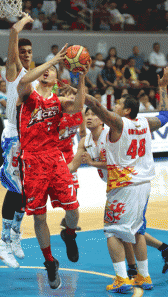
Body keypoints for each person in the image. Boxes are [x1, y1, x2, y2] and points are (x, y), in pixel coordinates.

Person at [60, 67, 168, 292]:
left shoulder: (120, 124)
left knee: (112, 231)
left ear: (127, 110)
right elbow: (165, 115)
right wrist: (163, 88)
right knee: (136, 230)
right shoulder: (145, 124)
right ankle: (144, 277)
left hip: (124, 186)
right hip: (144, 185)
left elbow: (98, 107)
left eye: (119, 103)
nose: (115, 106)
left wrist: (79, 90)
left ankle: (122, 279)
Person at [16, 44, 89, 290]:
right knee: (39, 216)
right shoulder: (28, 94)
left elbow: (78, 105)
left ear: (58, 79)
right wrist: (52, 60)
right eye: (44, 70)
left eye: (52, 71)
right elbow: (25, 78)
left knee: (73, 210)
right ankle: (49, 262)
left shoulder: (59, 101)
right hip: (32, 160)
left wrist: (82, 78)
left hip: (54, 157)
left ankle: (69, 233)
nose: (47, 73)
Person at [69, 106, 168, 277]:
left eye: (94, 114)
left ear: (102, 119)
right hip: (116, 185)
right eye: (87, 115)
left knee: (120, 230)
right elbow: (72, 166)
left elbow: (120, 163)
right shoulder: (85, 141)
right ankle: (155, 255)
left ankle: (134, 272)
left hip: (129, 184)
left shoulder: (112, 135)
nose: (90, 117)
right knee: (130, 230)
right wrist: (50, 175)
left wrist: (93, 164)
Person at [0, 13, 37, 270]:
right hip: (13, 135)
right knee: (15, 189)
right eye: (22, 51)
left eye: (30, 51)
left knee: (27, 190)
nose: (26, 54)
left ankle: (16, 235)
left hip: (29, 136)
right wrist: (21, 24)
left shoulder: (33, 74)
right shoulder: (14, 71)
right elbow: (12, 39)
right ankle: (3, 241)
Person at [58, 105, 85, 231]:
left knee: (73, 186)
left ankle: (68, 218)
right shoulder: (58, 113)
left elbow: (83, 133)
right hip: (54, 154)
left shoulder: (80, 112)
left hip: (69, 154)